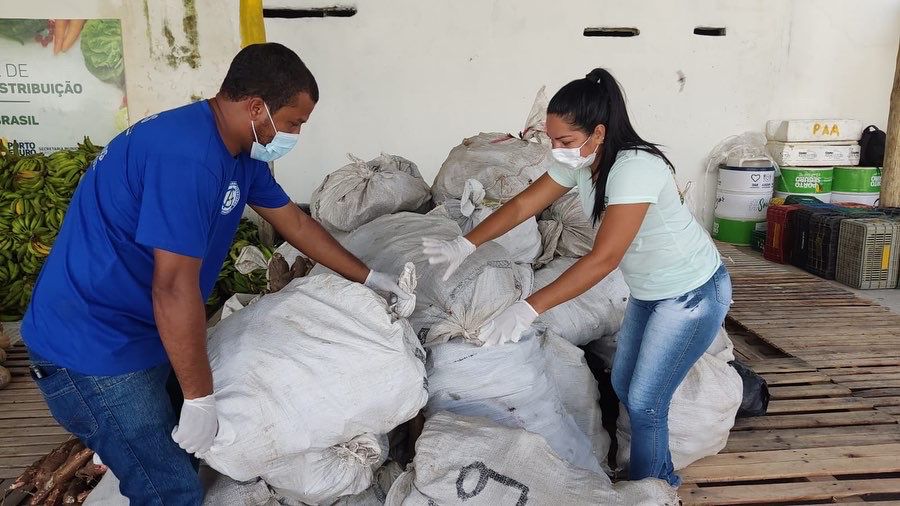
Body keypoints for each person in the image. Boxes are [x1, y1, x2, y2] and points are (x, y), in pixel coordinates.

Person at [21, 43, 412, 504]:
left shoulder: (240, 150)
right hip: (93, 347)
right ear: (256, 107)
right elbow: (173, 287)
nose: (294, 134)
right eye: (292, 122)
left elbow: (296, 222)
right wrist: (199, 397)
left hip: (139, 331)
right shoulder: (187, 158)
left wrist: (368, 278)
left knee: (180, 457)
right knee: (168, 488)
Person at [422, 68, 731, 487]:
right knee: (623, 383)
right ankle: (646, 475)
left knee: (645, 402)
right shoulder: (582, 162)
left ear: (598, 133)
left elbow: (603, 259)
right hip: (649, 292)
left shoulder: (633, 169)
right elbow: (521, 207)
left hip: (690, 295)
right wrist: (466, 244)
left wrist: (528, 307)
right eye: (552, 140)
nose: (557, 149)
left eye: (565, 141)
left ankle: (655, 489)